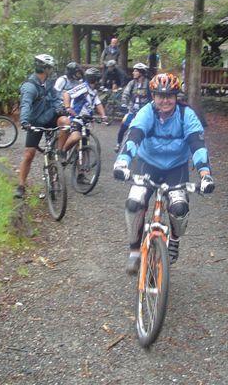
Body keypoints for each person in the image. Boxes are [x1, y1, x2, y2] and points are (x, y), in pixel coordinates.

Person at [113, 72, 215, 274]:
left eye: (170, 95)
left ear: (177, 96)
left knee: (179, 207)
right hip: (147, 164)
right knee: (134, 202)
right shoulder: (146, 113)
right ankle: (134, 250)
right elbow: (134, 136)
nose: (165, 100)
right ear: (153, 96)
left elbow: (197, 143)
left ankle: (174, 240)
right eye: (160, 95)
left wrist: (205, 174)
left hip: (176, 168)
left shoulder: (186, 115)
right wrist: (122, 163)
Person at [14, 54, 63, 199]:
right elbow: (25, 104)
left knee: (65, 123)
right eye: (50, 68)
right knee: (29, 154)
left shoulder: (49, 83)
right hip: (35, 122)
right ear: (45, 68)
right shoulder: (30, 86)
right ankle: (21, 186)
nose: (52, 70)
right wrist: (24, 121)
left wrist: (60, 108)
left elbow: (56, 99)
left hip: (50, 117)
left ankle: (60, 151)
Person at [57, 67, 107, 164]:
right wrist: (68, 108)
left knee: (83, 147)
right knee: (76, 137)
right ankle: (63, 151)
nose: (99, 82)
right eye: (98, 79)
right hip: (77, 118)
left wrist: (103, 115)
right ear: (94, 80)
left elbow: (98, 104)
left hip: (86, 120)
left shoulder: (94, 91)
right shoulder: (83, 87)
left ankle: (81, 173)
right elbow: (67, 94)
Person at [114, 62, 152, 152]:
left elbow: (152, 97)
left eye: (135, 71)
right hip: (132, 111)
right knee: (123, 126)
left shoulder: (148, 84)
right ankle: (118, 144)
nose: (133, 73)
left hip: (144, 112)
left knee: (149, 129)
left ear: (141, 72)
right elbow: (126, 93)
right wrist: (124, 103)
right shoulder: (132, 83)